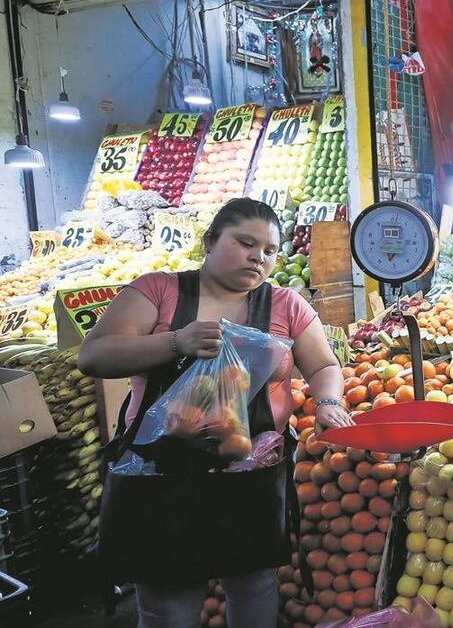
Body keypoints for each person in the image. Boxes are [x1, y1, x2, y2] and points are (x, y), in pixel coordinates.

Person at [80, 198, 353, 628]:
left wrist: (329, 402)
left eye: (269, 250)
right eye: (245, 242)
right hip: (160, 476)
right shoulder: (159, 290)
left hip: (251, 477)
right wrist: (175, 343)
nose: (257, 257)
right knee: (169, 602)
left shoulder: (286, 304)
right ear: (210, 241)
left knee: (254, 587)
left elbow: (323, 365)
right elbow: (94, 356)